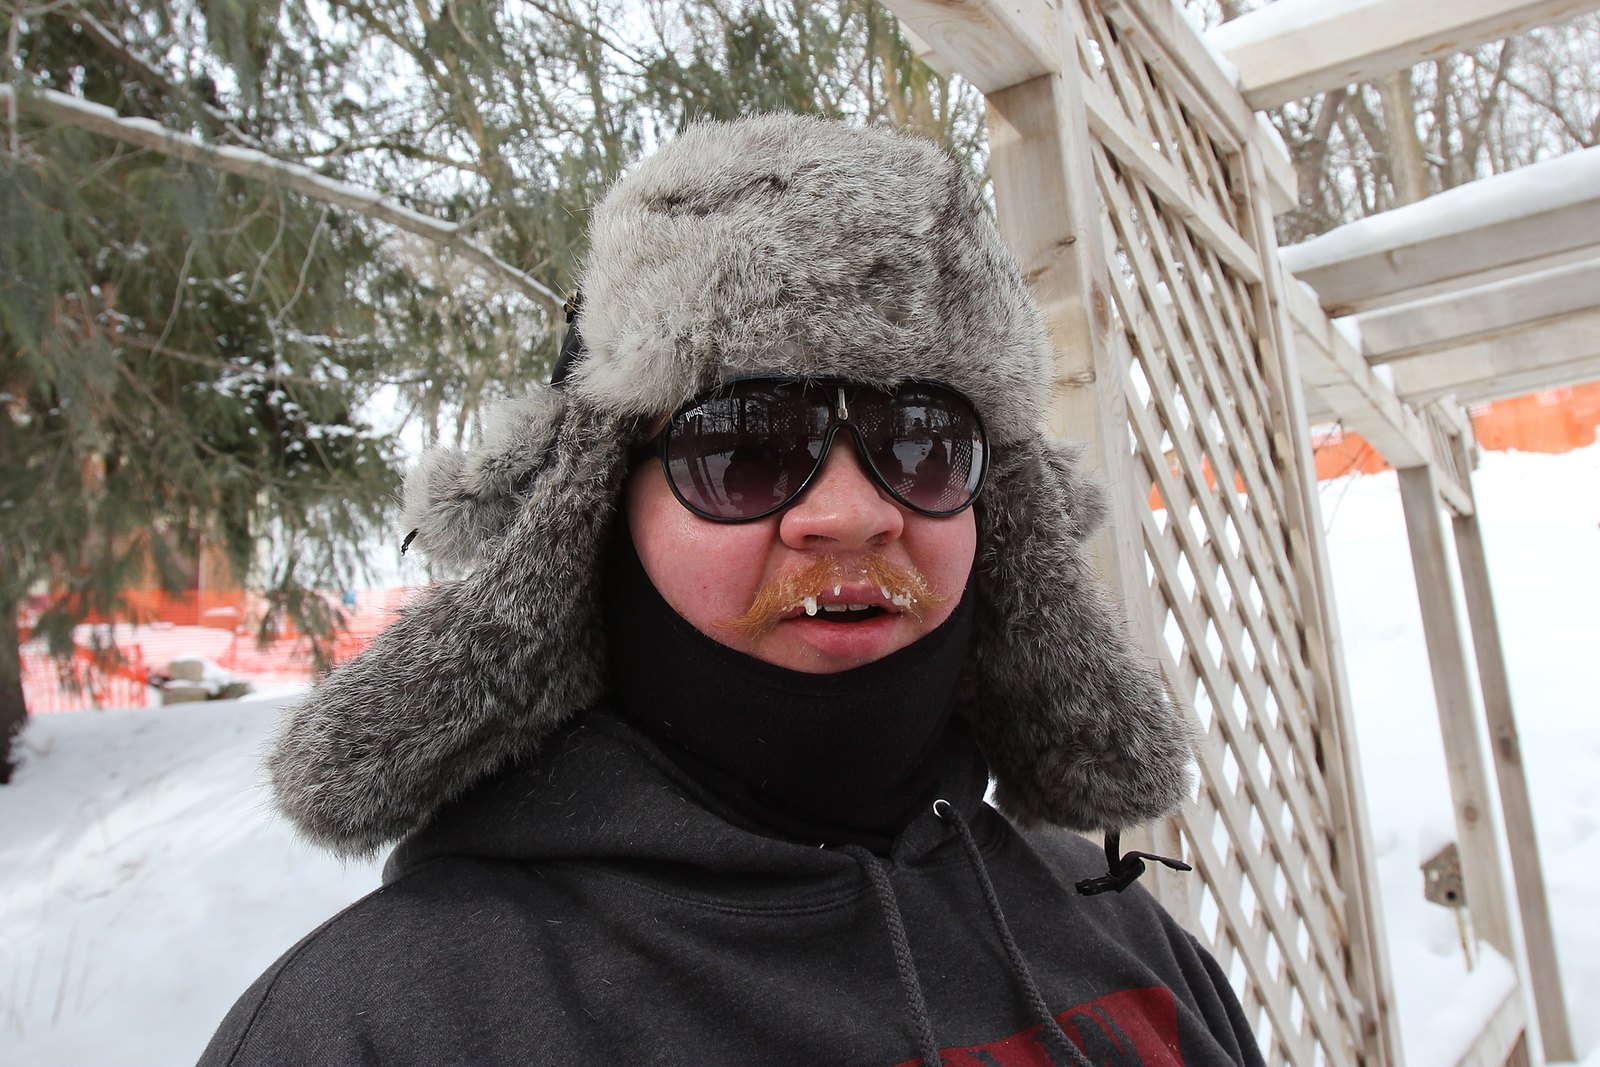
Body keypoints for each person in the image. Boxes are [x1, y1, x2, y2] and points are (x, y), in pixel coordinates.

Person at [199, 115, 1263, 1067]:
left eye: (923, 443)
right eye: (745, 449)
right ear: (595, 515)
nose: (851, 513)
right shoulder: (379, 1025)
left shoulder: (1124, 937)